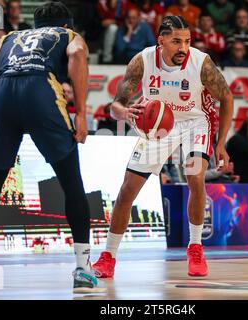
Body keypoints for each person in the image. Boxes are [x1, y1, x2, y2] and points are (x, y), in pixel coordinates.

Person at [0, 2, 106, 295]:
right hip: (41, 93)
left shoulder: (8, 38)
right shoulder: (69, 36)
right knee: (72, 184)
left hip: (4, 96)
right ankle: (83, 271)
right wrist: (79, 113)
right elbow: (77, 56)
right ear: (68, 24)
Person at [93, 15, 234, 278]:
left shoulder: (200, 62)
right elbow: (115, 105)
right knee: (127, 190)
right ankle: (108, 256)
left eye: (187, 41)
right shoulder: (143, 60)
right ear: (161, 41)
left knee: (195, 177)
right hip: (158, 125)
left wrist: (221, 142)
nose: (183, 47)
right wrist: (124, 113)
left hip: (196, 122)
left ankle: (195, 247)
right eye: (176, 41)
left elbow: (226, 97)